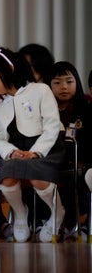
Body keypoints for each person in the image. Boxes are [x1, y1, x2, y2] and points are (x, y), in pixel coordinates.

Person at [0, 47, 65, 243]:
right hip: (19, 150)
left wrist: (36, 151)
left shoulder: (40, 90)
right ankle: (20, 215)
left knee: (37, 175)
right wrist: (11, 152)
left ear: (8, 68)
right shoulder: (1, 106)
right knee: (7, 174)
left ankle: (57, 213)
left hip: (48, 148)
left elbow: (52, 125)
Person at [46, 61, 91, 239]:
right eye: (57, 83)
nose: (63, 87)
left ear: (77, 83)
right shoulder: (46, 110)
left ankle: (81, 224)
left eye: (69, 81)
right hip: (52, 163)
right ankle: (52, 222)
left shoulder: (85, 109)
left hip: (80, 161)